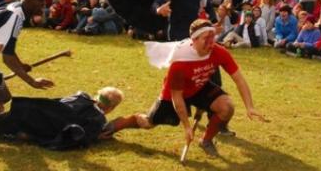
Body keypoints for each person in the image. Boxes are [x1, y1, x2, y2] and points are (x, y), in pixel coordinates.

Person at [106, 19, 264, 157]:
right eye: (205, 39)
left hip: (200, 86)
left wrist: (249, 106)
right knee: (148, 123)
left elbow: (239, 80)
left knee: (226, 107)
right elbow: (177, 97)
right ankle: (119, 124)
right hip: (173, 94)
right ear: (193, 40)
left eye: (212, 38)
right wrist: (187, 127)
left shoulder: (219, 52)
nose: (210, 44)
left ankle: (206, 141)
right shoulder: (180, 62)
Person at [0, 87, 124, 150]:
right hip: (42, 128)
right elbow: (80, 137)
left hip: (33, 110)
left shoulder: (79, 97)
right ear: (111, 108)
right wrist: (97, 137)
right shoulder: (98, 120)